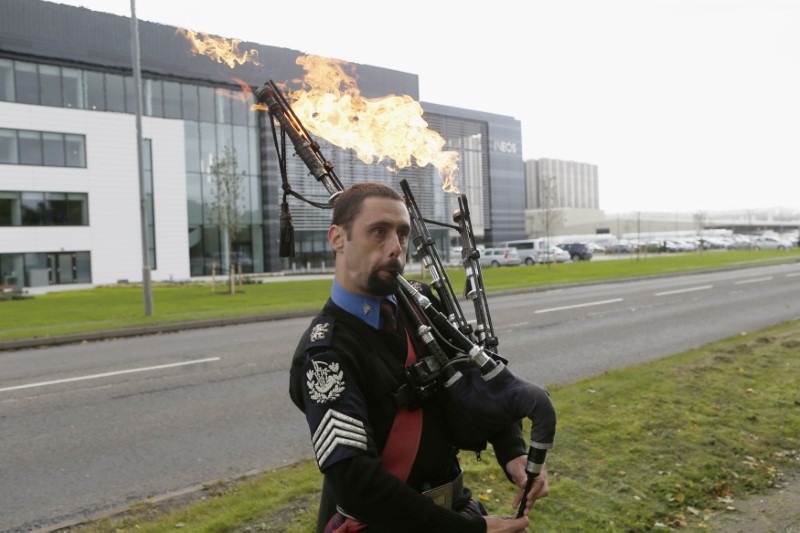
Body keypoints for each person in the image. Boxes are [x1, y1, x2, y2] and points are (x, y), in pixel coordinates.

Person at [289, 182, 548, 532]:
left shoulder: (422, 304)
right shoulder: (326, 352)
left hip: (455, 505)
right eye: (378, 232)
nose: (396, 247)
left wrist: (511, 449)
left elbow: (476, 377)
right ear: (337, 238)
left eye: (402, 233)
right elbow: (356, 483)